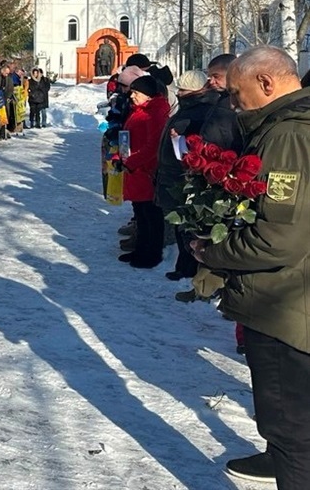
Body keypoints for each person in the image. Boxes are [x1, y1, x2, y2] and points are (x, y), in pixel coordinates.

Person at [194, 47, 310, 488]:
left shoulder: (288, 136)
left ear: (266, 83)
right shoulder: (288, 127)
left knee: (291, 432)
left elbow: (279, 236)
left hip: (285, 309)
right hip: (293, 297)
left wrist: (214, 252)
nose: (234, 105)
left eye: (239, 95)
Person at [154, 70, 242, 281]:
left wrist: (181, 139)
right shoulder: (194, 107)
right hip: (174, 171)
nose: (180, 93)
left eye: (183, 90)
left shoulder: (202, 110)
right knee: (182, 224)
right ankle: (185, 264)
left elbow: (201, 142)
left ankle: (189, 266)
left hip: (183, 173)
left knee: (188, 224)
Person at [118, 75, 171, 269]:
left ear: (148, 95)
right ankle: (140, 249)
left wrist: (132, 161)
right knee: (140, 212)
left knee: (150, 214)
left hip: (147, 171)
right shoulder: (140, 110)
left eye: (136, 93)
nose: (132, 96)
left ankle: (152, 253)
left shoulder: (154, 113)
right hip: (136, 169)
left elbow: (153, 146)